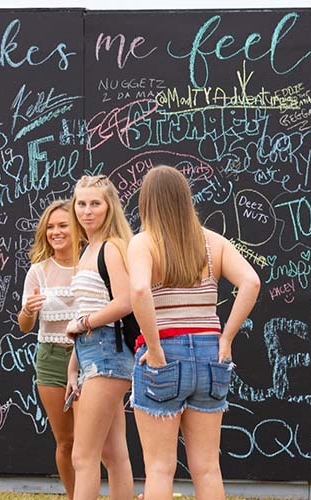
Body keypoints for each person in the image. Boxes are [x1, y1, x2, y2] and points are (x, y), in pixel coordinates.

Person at [127, 166, 260, 500]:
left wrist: (155, 349)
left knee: (159, 467)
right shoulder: (213, 242)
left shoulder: (143, 243)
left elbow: (140, 291)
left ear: (147, 201)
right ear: (186, 199)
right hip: (210, 356)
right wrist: (226, 338)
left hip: (164, 355)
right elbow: (251, 282)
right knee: (207, 467)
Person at [63, 175, 135, 500]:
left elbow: (125, 302)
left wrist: (84, 323)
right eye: (81, 203)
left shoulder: (111, 249)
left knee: (83, 455)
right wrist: (73, 367)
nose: (87, 211)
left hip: (108, 352)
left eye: (95, 203)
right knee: (112, 454)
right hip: (92, 352)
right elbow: (87, 308)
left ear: (109, 207)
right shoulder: (86, 250)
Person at [18, 199, 81, 497]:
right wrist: (28, 310)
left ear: (78, 228)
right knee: (66, 441)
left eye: (63, 225)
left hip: (89, 356)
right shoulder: (38, 271)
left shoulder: (93, 263)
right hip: (51, 357)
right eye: (50, 227)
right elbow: (24, 326)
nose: (56, 232)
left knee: (92, 442)